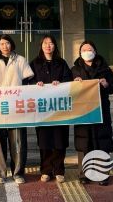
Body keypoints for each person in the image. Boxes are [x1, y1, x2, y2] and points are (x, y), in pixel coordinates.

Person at [0, 34, 34, 185]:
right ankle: (0, 173)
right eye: (2, 44)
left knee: (18, 141)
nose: (5, 46)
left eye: (8, 43)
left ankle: (18, 172)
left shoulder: (20, 60)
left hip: (16, 106)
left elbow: (27, 80)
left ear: (12, 44)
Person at [71, 40, 113, 186]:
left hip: (101, 111)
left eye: (89, 49)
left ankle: (102, 174)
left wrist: (106, 84)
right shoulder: (75, 70)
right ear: (80, 53)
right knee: (84, 142)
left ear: (95, 51)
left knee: (101, 142)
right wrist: (74, 84)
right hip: (83, 112)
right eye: (84, 50)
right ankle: (84, 174)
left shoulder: (105, 69)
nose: (87, 52)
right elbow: (68, 90)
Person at [29, 35, 72, 183]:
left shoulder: (61, 63)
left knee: (60, 140)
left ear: (55, 46)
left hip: (59, 108)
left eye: (51, 43)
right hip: (42, 109)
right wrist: (36, 84)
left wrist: (60, 83)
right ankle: (46, 170)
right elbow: (28, 81)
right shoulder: (34, 63)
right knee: (44, 141)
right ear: (41, 46)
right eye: (45, 43)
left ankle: (59, 170)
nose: (48, 45)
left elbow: (68, 80)